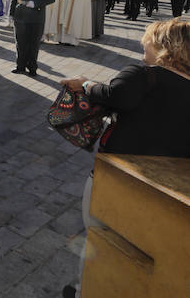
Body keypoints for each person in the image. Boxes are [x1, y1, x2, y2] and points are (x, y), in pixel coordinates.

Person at [59, 19, 190, 298]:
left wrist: (86, 83)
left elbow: (114, 95)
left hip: (119, 176)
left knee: (98, 232)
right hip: (170, 192)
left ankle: (87, 290)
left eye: (148, 38)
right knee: (145, 248)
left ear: (163, 46)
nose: (143, 42)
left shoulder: (144, 75)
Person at [10, 0, 55, 76]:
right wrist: (11, 15)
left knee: (33, 43)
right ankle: (20, 66)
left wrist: (35, 3)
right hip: (20, 16)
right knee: (20, 42)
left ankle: (32, 67)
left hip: (36, 17)